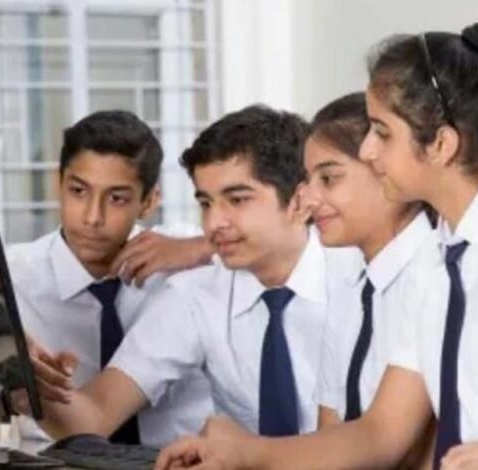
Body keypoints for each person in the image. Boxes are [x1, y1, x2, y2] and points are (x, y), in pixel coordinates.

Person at [155, 10, 478, 470]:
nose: (368, 150)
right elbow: (380, 434)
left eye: (382, 133)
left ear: (441, 144)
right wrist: (246, 453)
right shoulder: (436, 263)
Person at [27, 105, 362, 442]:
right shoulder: (194, 296)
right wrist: (26, 377)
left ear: (300, 202)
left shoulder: (360, 281)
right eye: (206, 203)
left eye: (237, 200)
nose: (213, 223)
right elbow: (95, 416)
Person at [0, 110, 214, 453]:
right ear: (58, 184)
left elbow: (262, 245)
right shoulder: (9, 275)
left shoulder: (184, 258)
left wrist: (203, 247)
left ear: (149, 201)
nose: (92, 217)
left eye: (116, 198)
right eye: (78, 191)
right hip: (57, 459)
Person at [302, 92, 435, 468]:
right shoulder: (351, 290)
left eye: (329, 178)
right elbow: (329, 435)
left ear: (385, 167)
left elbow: (411, 450)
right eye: (308, 180)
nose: (309, 199)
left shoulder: (436, 274)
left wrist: (249, 451)